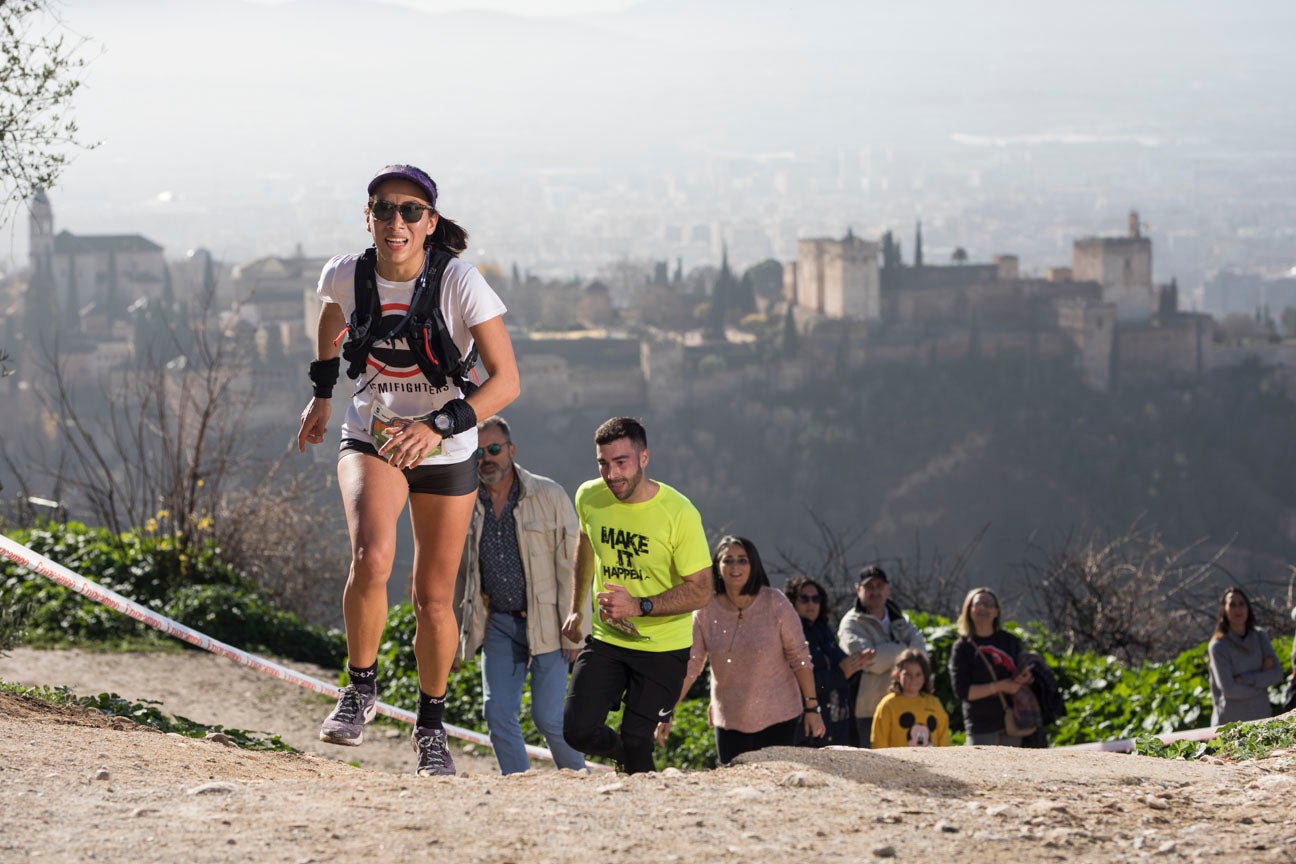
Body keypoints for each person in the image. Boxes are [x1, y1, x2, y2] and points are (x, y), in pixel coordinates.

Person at [297, 164, 519, 777]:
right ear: (367, 217)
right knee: (372, 556)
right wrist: (321, 395)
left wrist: (438, 426)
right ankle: (360, 687)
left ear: (431, 222)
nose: (397, 221)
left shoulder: (459, 283)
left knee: (432, 600)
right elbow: (330, 318)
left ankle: (430, 725)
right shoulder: (346, 273)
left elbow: (507, 381)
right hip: (374, 433)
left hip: (445, 448)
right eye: (384, 209)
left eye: (410, 211)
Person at [559, 417, 713, 774]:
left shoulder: (679, 513)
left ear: (644, 458)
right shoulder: (589, 496)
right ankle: (623, 756)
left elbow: (702, 590)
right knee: (577, 731)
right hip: (608, 639)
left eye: (621, 463)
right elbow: (586, 543)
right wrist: (576, 609)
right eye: (603, 463)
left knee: (638, 740)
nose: (611, 474)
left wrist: (640, 606)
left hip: (663, 649)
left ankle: (645, 813)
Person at [452, 415, 586, 774]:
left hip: (549, 622)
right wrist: (450, 637)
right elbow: (458, 576)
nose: (486, 458)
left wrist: (577, 626)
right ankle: (520, 786)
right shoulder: (463, 502)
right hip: (497, 622)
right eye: (477, 452)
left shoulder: (549, 494)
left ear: (511, 450)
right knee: (496, 713)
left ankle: (581, 782)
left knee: (549, 719)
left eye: (494, 449)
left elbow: (576, 564)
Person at [656, 538, 826, 765]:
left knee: (774, 786)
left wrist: (812, 708)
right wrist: (668, 710)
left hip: (780, 716)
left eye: (742, 560)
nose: (735, 567)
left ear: (753, 565)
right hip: (729, 720)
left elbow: (800, 658)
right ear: (717, 565)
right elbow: (691, 664)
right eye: (728, 560)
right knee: (737, 789)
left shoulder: (775, 602)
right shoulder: (705, 610)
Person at [836, 566, 927, 748]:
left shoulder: (902, 619)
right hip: (868, 710)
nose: (875, 591)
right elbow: (870, 662)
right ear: (858, 589)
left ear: (887, 588)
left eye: (879, 585)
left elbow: (922, 653)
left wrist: (884, 651)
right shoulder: (851, 624)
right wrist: (906, 649)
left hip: (904, 705)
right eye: (869, 587)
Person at [948, 587, 1033, 747]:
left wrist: (1025, 677)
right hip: (981, 727)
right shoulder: (962, 648)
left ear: (996, 612)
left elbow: (1024, 673)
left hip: (1013, 721)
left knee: (1013, 771)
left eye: (989, 604)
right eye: (978, 604)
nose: (983, 608)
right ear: (969, 610)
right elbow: (963, 691)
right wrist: (1001, 686)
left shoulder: (1010, 641)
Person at [784, 574, 862, 746]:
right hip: (806, 726)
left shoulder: (824, 630)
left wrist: (857, 665)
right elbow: (798, 682)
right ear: (792, 602)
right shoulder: (790, 635)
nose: (811, 603)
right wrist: (841, 673)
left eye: (816, 598)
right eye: (804, 598)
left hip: (836, 724)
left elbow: (843, 669)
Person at [1207, 587, 1284, 725]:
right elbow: (1230, 690)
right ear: (1224, 610)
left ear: (1248, 608)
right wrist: (1262, 681)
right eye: (1232, 604)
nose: (1238, 609)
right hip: (1229, 725)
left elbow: (1277, 674)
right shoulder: (1218, 647)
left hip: (1262, 721)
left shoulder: (1261, 637)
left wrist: (1245, 679)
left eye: (1241, 604)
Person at [871, 649, 951, 748]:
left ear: (925, 677)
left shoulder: (934, 704)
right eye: (907, 674)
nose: (913, 679)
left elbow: (944, 740)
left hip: (930, 762)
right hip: (897, 762)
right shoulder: (888, 705)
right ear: (897, 674)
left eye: (918, 674)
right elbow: (879, 742)